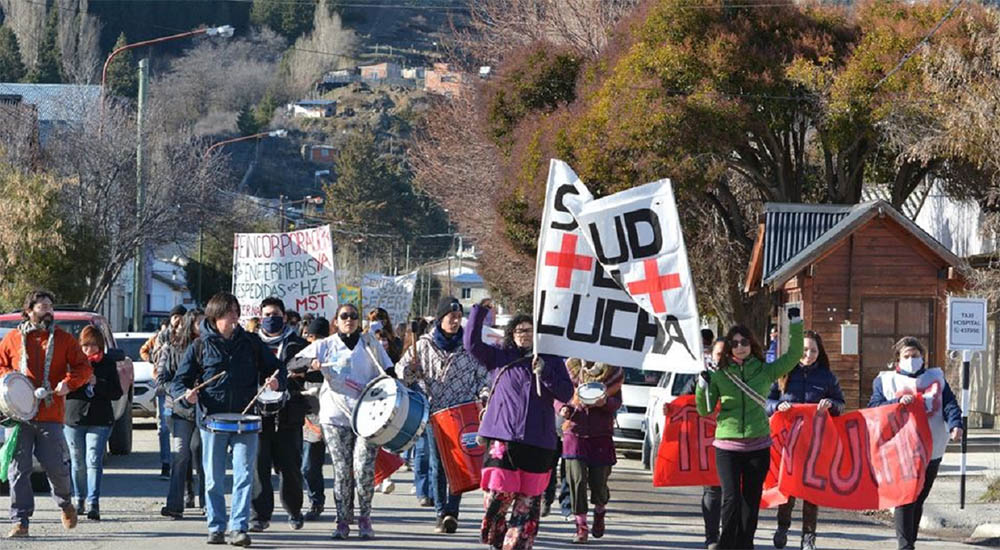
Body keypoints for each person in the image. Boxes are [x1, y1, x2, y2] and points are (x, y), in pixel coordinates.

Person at [173, 292, 286, 547]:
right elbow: (179, 381)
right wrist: (186, 395)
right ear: (215, 317)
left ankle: (238, 528)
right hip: (212, 421)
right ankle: (216, 526)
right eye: (229, 313)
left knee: (244, 475)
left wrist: (275, 380)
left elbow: (276, 368)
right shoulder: (199, 346)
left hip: (246, 419)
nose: (235, 318)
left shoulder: (251, 342)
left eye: (236, 312)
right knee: (213, 478)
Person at [465, 304, 574, 550]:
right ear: (511, 333)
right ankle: (496, 530)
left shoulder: (552, 360)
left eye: (530, 330)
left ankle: (515, 544)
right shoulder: (500, 356)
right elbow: (471, 345)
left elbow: (566, 392)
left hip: (539, 442)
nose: (524, 334)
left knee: (527, 503)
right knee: (497, 496)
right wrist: (478, 313)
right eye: (519, 330)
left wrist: (544, 372)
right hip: (504, 438)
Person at [695, 311, 803, 550]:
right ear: (728, 349)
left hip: (758, 445)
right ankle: (725, 545)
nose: (740, 347)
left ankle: (745, 545)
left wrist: (795, 323)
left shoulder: (765, 371)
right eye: (734, 344)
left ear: (751, 345)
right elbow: (704, 409)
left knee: (750, 501)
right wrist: (702, 385)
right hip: (727, 446)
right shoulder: (720, 375)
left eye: (744, 342)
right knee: (731, 499)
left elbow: (795, 355)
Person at [293, 303, 390, 540]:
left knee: (363, 469)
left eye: (353, 316)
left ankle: (365, 516)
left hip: (368, 416)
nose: (349, 319)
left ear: (358, 320)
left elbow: (389, 370)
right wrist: (310, 364)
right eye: (344, 316)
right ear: (336, 320)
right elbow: (292, 363)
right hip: (334, 417)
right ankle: (343, 519)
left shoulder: (369, 343)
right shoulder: (325, 345)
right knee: (342, 471)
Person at [0, 290, 93, 538]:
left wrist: (68, 383)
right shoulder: (11, 339)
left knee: (55, 467)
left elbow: (83, 367)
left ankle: (65, 504)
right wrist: (11, 385)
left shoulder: (64, 339)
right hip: (18, 416)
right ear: (29, 311)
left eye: (50, 306)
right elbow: (1, 365)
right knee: (17, 470)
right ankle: (20, 521)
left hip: (51, 413)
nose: (47, 310)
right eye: (42, 306)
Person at [398, 297, 488, 534]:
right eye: (451, 317)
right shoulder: (423, 345)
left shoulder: (469, 345)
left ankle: (452, 512)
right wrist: (410, 372)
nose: (455, 321)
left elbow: (483, 377)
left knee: (459, 463)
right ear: (440, 319)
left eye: (459, 317)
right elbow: (402, 372)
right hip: (435, 415)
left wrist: (485, 394)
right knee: (438, 464)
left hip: (464, 412)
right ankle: (440, 512)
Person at [868, 336, 962, 550]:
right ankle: (905, 546)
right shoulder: (885, 381)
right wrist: (896, 402)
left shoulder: (936, 378)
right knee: (905, 495)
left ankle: (910, 541)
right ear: (898, 359)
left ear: (923, 357)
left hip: (932, 447)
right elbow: (874, 407)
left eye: (916, 355)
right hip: (901, 449)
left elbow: (949, 404)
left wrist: (956, 424)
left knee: (918, 497)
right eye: (907, 356)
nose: (912, 359)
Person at [765, 330, 845, 550]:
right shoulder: (782, 373)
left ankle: (809, 536)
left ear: (820, 352)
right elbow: (766, 401)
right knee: (787, 488)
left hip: (816, 443)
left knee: (812, 490)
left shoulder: (827, 377)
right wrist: (776, 407)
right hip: (788, 443)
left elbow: (841, 404)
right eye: (804, 350)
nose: (808, 354)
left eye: (813, 350)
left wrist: (831, 404)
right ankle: (783, 527)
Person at [250, 297, 310, 532]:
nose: (270, 318)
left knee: (290, 467)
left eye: (275, 314)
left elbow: (310, 374)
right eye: (266, 314)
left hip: (288, 415)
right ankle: (260, 516)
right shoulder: (252, 343)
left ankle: (294, 510)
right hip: (258, 415)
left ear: (284, 317)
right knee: (258, 466)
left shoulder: (299, 344)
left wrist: (295, 379)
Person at [556, 359, 623, 544]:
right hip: (574, 431)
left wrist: (605, 402)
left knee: (599, 482)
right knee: (576, 481)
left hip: (601, 434)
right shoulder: (568, 368)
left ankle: (600, 510)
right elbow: (558, 395)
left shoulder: (613, 371)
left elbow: (617, 402)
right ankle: (581, 526)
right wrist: (562, 408)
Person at [62, 326, 124, 521]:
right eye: (85, 345)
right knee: (77, 461)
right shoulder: (73, 363)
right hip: (74, 418)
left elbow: (117, 392)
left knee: (94, 460)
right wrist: (77, 381)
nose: (89, 349)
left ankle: (93, 503)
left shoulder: (107, 363)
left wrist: (98, 382)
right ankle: (79, 499)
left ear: (100, 345)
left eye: (93, 345)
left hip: (100, 419)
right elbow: (63, 389)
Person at [677, 336, 724, 550]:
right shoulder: (702, 377)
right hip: (710, 444)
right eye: (719, 354)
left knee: (735, 493)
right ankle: (712, 536)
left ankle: (733, 534)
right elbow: (683, 402)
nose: (722, 359)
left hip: (739, 439)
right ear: (711, 355)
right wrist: (671, 409)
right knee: (713, 491)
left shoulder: (743, 375)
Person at [160, 309, 206, 519]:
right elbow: (163, 379)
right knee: (180, 456)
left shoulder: (212, 346)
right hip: (181, 410)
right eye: (199, 323)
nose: (203, 327)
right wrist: (181, 392)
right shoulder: (173, 347)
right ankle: (174, 505)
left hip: (206, 410)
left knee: (202, 453)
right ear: (190, 324)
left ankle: (207, 503)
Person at [143, 305, 187, 480]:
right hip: (165, 389)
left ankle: (182, 464)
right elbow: (150, 354)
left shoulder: (191, 338)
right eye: (175, 316)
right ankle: (166, 463)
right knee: (164, 426)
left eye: (181, 316)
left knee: (181, 428)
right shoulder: (160, 337)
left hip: (183, 389)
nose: (178, 320)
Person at [301, 316, 330, 522]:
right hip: (312, 420)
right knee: (308, 466)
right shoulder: (302, 357)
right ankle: (316, 501)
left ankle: (346, 507)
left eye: (320, 337)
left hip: (337, 419)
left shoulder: (335, 355)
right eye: (312, 337)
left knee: (344, 467)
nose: (315, 342)